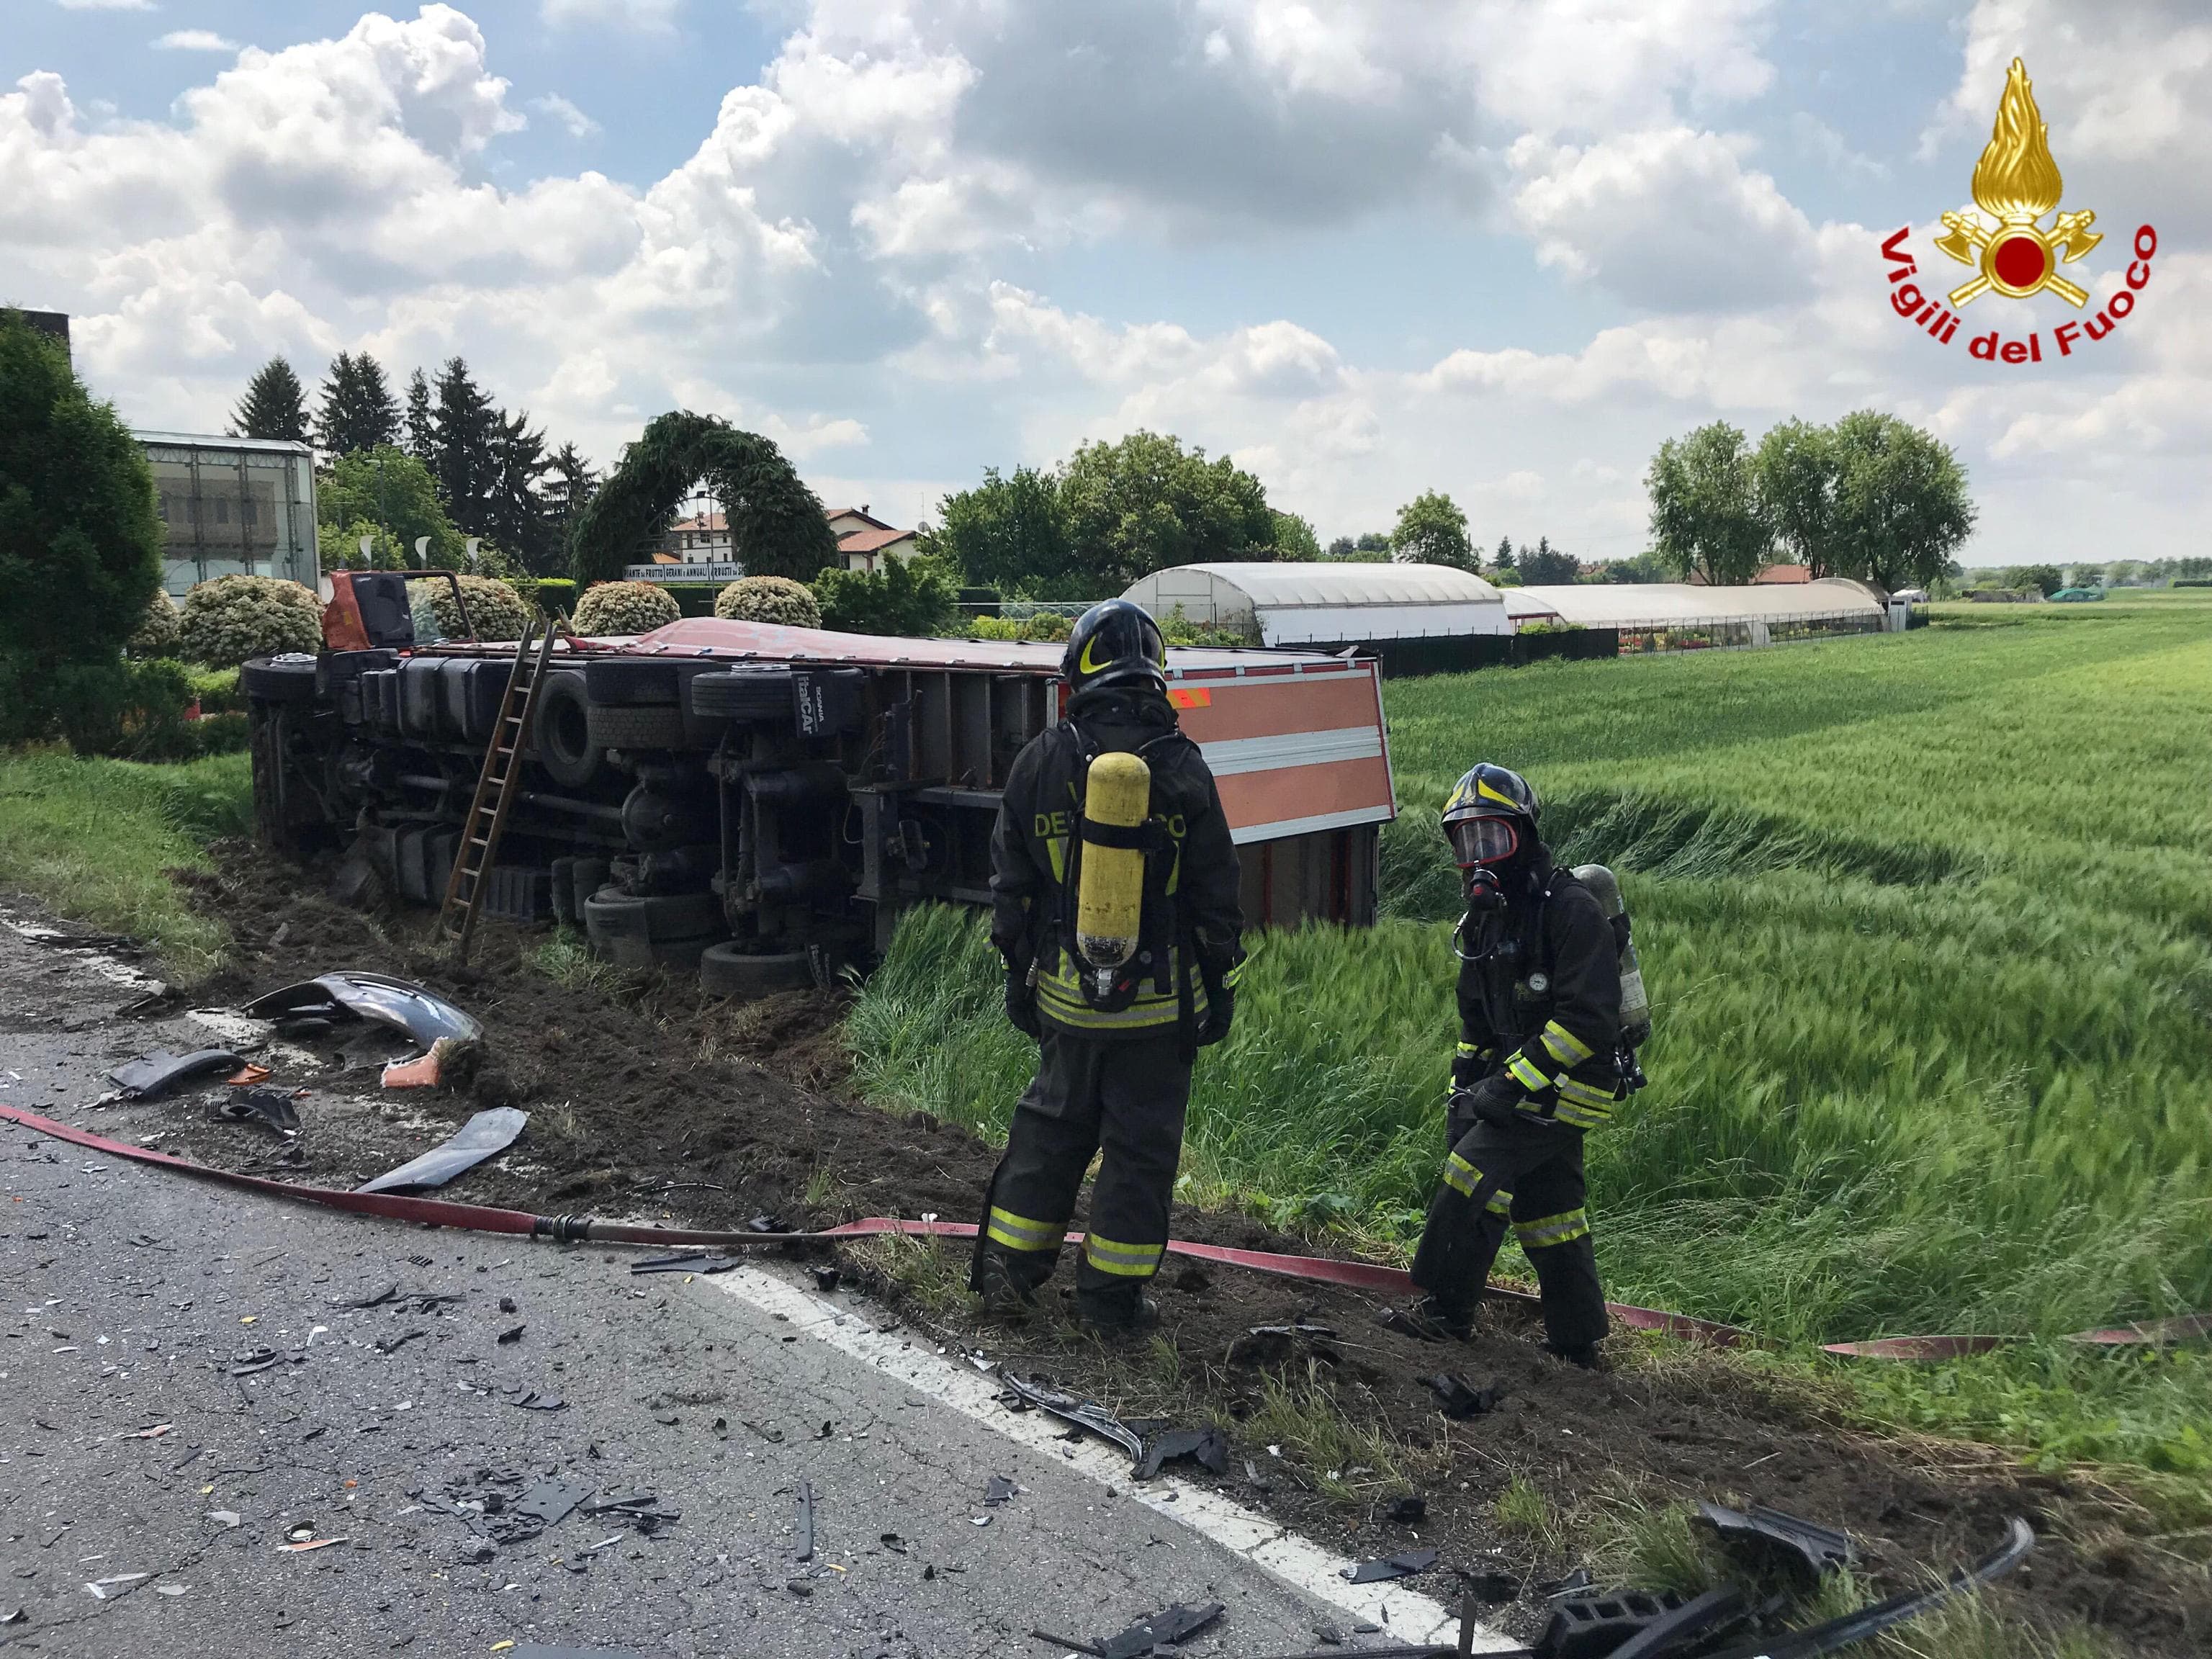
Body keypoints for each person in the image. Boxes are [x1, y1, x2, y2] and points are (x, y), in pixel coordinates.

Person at [969, 598, 1246, 1336]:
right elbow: (1217, 893)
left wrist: (1018, 973)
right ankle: (1110, 1305)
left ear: (1077, 677)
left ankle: (1008, 1275)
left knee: (1049, 1133)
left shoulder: (1041, 760)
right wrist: (1220, 985)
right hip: (1158, 1012)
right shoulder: (1183, 767)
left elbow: (1011, 886)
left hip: (1066, 1002)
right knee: (1138, 1155)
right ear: (1156, 675)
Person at [1393, 763, 1624, 1366]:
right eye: (1466, 842)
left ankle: (1445, 1313)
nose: (1479, 858)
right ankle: (1577, 1340)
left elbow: (1588, 1021)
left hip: (1573, 1083)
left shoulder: (1569, 910)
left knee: (1470, 1175)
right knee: (1552, 1213)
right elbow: (1477, 1023)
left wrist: (1509, 1085)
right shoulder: (1485, 921)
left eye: (1491, 838)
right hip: (1518, 1082)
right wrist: (1463, 1091)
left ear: (1523, 836)